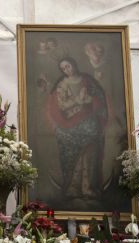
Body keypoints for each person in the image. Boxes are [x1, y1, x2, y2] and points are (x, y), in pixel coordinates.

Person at [47, 57, 108, 200]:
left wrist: (89, 100)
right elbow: (61, 105)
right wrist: (78, 100)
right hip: (70, 124)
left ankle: (88, 188)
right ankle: (73, 188)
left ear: (74, 64)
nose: (67, 69)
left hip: (89, 121)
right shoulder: (62, 85)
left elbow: (100, 98)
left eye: (68, 66)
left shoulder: (88, 80)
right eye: (64, 68)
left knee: (91, 152)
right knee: (72, 155)